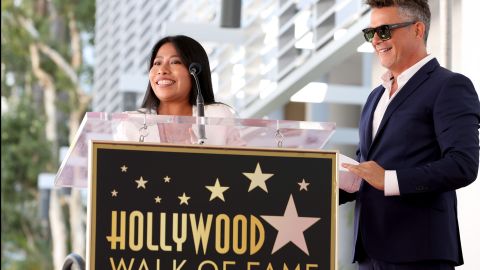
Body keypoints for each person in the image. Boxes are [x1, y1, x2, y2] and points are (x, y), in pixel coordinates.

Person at [340, 1, 480, 269]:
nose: (377, 40)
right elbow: (367, 170)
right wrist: (325, 185)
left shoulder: (449, 86)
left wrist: (389, 180)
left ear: (418, 29)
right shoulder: (375, 96)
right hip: (370, 252)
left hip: (420, 251)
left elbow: (463, 164)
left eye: (385, 30)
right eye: (371, 33)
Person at [114, 35, 241, 145]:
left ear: (195, 71)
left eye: (175, 62)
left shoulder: (218, 116)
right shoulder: (131, 123)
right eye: (157, 63)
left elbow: (240, 165)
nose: (162, 69)